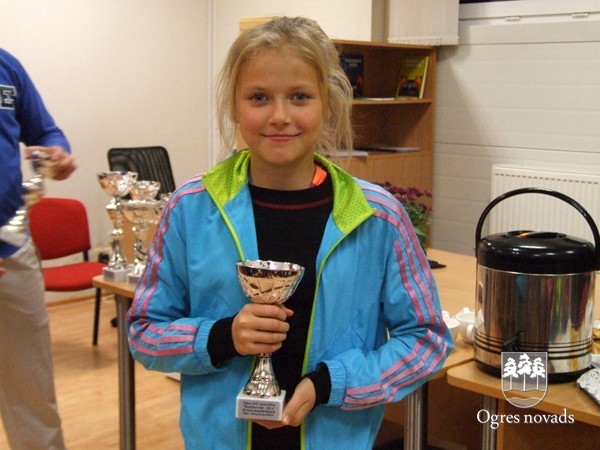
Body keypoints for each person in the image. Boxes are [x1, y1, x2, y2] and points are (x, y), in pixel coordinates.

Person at [127, 16, 452, 450]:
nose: (280, 117)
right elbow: (145, 331)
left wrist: (331, 383)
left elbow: (427, 341)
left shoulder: (378, 218)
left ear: (328, 105)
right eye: (259, 97)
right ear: (234, 107)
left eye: (300, 96)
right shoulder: (191, 208)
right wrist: (221, 337)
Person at [0, 48, 76, 450]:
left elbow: (45, 132)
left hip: (12, 249)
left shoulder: (7, 66)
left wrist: (55, 153)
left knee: (32, 391)